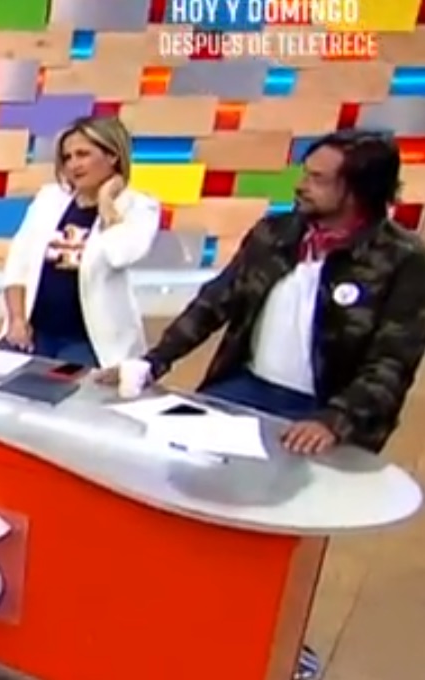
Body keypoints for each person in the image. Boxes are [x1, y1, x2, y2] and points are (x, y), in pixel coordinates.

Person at [103, 130, 425, 679]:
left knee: (283, 541)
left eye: (318, 178)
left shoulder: (403, 260)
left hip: (321, 411)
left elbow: (392, 362)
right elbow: (214, 302)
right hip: (243, 391)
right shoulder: (276, 232)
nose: (302, 185)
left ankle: (285, 647)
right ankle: (187, 620)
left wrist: (335, 420)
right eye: (305, 173)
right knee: (190, 501)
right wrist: (153, 361)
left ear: (358, 191)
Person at [0, 116, 160, 368]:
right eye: (67, 157)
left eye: (83, 154)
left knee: (71, 390)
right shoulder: (49, 199)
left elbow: (120, 254)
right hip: (34, 331)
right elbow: (18, 262)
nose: (74, 164)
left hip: (91, 342)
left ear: (113, 156)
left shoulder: (138, 206)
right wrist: (17, 320)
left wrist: (106, 203)